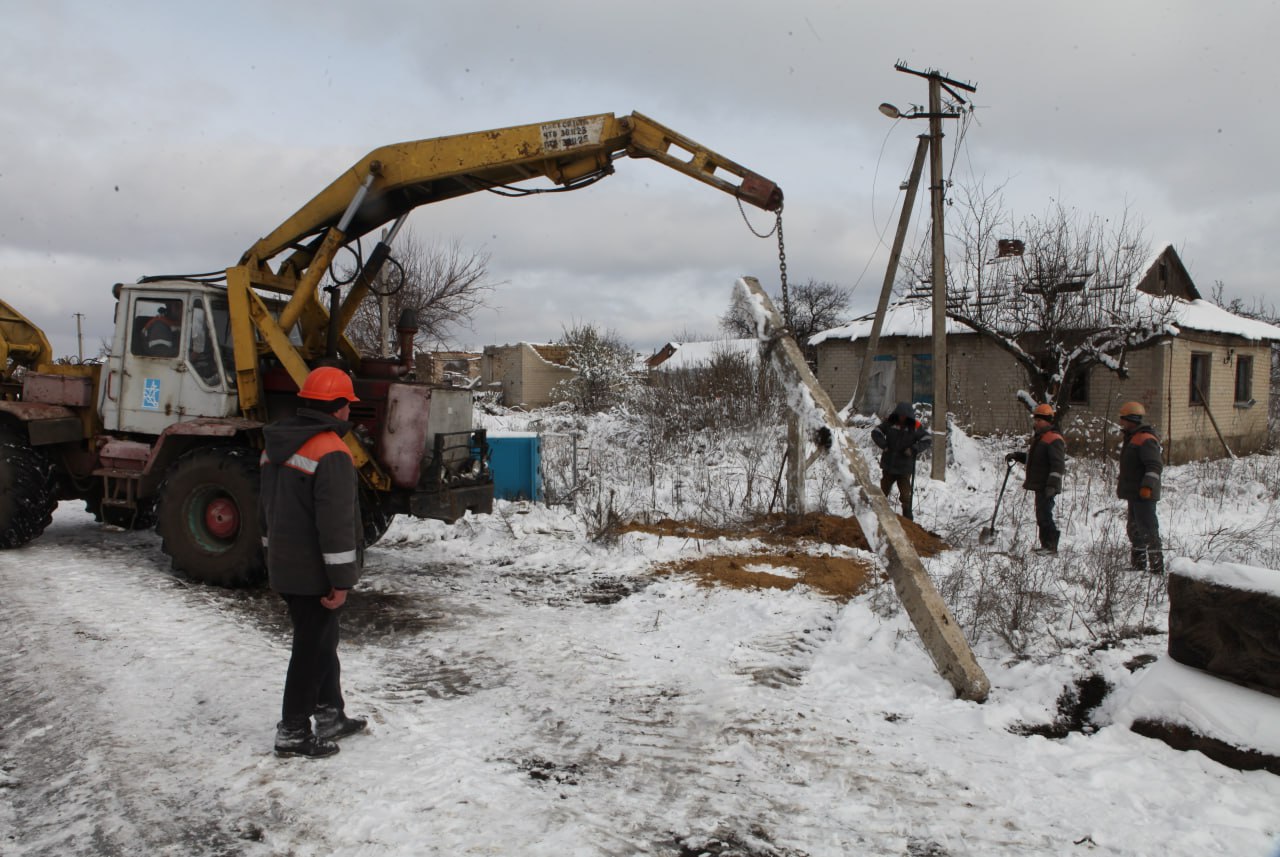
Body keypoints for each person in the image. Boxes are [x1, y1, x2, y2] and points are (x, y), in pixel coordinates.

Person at [260, 366, 368, 758]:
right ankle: (293, 730)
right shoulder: (331, 451)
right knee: (311, 647)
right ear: (339, 408)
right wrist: (341, 581)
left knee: (323, 640)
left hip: (285, 564)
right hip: (315, 571)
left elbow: (266, 510)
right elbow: (336, 525)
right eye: (348, 407)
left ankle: (330, 713)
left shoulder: (276, 445)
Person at [1006, 402, 1066, 554]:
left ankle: (1050, 547)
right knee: (1041, 515)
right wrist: (1018, 456)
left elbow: (1057, 465)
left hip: (1047, 486)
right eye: (1036, 420)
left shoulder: (1053, 439)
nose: (1036, 423)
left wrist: (1052, 485)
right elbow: (1036, 460)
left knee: (1045, 515)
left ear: (1048, 421)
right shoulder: (1041, 438)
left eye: (1039, 420)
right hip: (1041, 485)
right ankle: (1046, 545)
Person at [1116, 401, 1164, 574]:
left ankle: (1157, 568)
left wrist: (1147, 487)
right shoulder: (1133, 437)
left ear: (1130, 419)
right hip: (1135, 493)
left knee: (1148, 530)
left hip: (1144, 494)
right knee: (1134, 529)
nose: (1121, 422)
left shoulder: (1145, 439)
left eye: (1123, 419)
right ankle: (1138, 565)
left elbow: (1154, 466)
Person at [871, 401, 930, 520]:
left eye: (904, 416)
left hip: (905, 468)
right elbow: (876, 432)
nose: (902, 418)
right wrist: (884, 445)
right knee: (883, 493)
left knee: (905, 495)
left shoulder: (915, 426)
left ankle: (907, 518)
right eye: (900, 415)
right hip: (889, 465)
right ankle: (878, 516)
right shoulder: (890, 422)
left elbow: (927, 439)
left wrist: (913, 449)